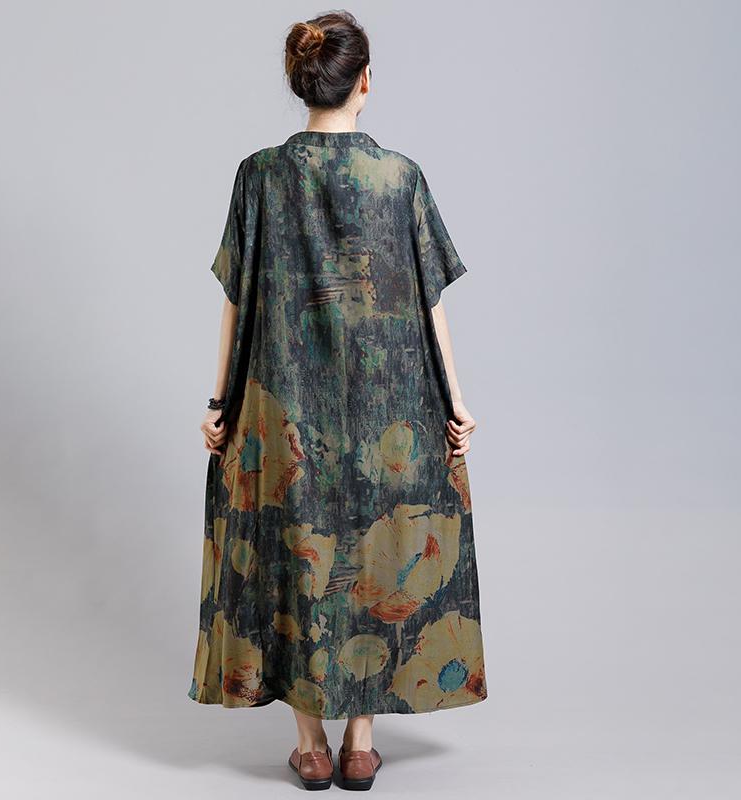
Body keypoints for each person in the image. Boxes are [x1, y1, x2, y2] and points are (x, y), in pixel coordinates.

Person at [189, 11, 486, 791]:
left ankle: (310, 747)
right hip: (391, 411)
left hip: (284, 406)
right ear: (364, 82)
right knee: (383, 552)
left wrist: (219, 403)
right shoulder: (400, 177)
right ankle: (360, 744)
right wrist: (456, 405)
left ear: (303, 83)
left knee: (297, 551)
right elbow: (429, 302)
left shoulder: (259, 175)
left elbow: (236, 300)